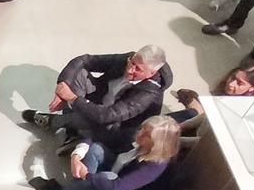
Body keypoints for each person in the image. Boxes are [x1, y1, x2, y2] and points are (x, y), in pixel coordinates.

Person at [22, 46, 171, 152]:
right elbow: (85, 60)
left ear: (152, 72)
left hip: (117, 126)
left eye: (138, 69)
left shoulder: (149, 94)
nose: (130, 69)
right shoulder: (129, 59)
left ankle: (54, 122)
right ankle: (74, 133)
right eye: (132, 62)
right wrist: (63, 85)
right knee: (79, 74)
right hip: (101, 99)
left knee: (91, 115)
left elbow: (107, 116)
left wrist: (72, 98)